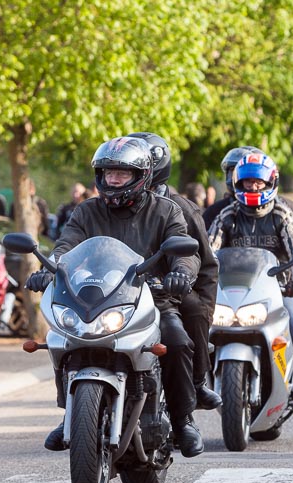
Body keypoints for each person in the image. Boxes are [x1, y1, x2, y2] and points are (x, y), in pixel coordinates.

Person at [26, 136, 205, 457]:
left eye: (121, 174)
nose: (113, 179)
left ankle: (182, 421)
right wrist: (51, 268)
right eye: (108, 173)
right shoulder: (86, 211)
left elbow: (184, 250)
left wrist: (182, 272)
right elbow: (66, 245)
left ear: (142, 176)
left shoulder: (166, 211)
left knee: (177, 341)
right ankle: (71, 412)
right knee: (62, 340)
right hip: (97, 299)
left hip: (152, 298)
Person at [208, 153, 293, 402]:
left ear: (270, 183)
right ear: (238, 183)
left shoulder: (282, 215)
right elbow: (210, 251)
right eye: (248, 182)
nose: (253, 186)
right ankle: (198, 382)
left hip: (278, 289)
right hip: (233, 290)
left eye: (258, 182)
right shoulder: (227, 216)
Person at [127, 131, 221, 410]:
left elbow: (200, 258)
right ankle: (73, 412)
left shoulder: (181, 208)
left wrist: (184, 278)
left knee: (194, 312)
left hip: (176, 287)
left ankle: (197, 382)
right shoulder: (113, 206)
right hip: (123, 289)